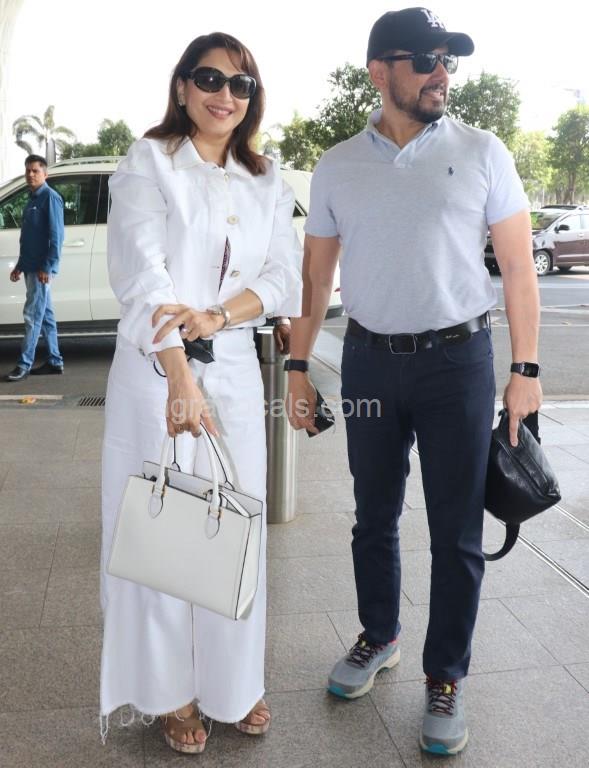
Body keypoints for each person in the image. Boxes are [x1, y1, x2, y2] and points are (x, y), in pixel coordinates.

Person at [286, 7, 542, 757]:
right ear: (380, 71)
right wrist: (297, 366)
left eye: (447, 60)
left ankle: (446, 675)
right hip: (368, 361)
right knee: (373, 515)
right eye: (425, 59)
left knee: (456, 530)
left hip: (458, 364)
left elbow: (519, 269)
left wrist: (524, 371)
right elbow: (314, 281)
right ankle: (379, 634)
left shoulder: (483, 151)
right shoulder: (337, 165)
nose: (441, 73)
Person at [100, 32, 301, 755]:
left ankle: (231, 684)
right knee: (159, 524)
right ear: (182, 86)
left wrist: (219, 315)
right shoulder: (148, 161)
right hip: (156, 372)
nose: (226, 95)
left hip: (236, 369)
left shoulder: (266, 178)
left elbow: (282, 276)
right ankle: (169, 693)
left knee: (232, 528)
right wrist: (180, 375)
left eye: (241, 84)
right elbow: (144, 274)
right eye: (210, 79)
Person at [4, 154, 64, 381]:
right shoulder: (31, 199)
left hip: (41, 270)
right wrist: (20, 266)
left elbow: (57, 237)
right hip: (31, 267)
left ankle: (24, 364)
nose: (30, 174)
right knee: (45, 317)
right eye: (27, 170)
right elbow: (29, 238)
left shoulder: (50, 198)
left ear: (45, 174)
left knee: (32, 316)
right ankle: (55, 361)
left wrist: (47, 267)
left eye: (35, 171)